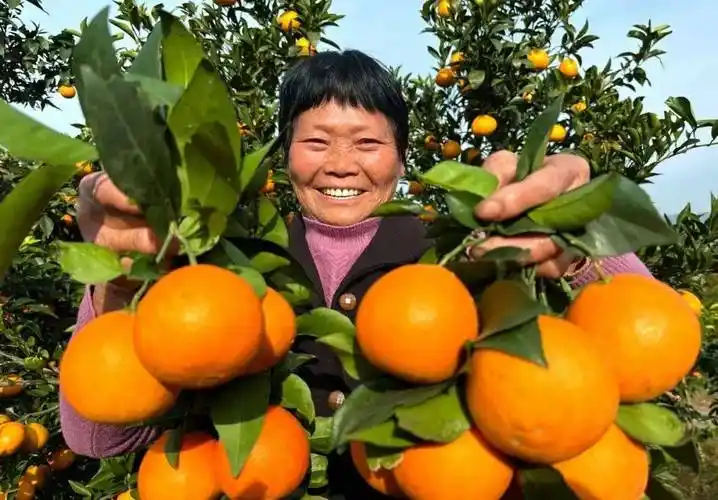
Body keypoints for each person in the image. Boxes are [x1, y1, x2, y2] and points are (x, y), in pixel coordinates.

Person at [60, 50, 652, 498]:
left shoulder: (455, 256)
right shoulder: (229, 267)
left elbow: (639, 350)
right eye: (315, 141)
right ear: (284, 153)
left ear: (400, 155)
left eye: (368, 142)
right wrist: (120, 283)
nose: (341, 163)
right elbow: (97, 437)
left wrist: (578, 238)